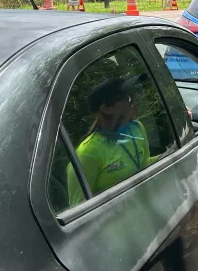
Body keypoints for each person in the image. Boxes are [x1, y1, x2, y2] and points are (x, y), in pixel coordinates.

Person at [67, 73, 160, 205]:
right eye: (128, 97)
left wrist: (167, 155)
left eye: (136, 92)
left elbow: (143, 164)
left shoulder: (136, 128)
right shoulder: (88, 153)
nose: (137, 98)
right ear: (107, 109)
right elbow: (78, 207)